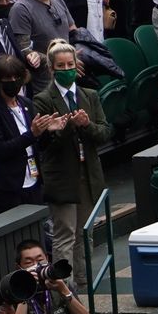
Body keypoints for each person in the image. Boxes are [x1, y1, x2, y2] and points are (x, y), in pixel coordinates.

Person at [32, 39, 111, 288]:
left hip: (88, 174)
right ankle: (64, 290)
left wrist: (86, 125)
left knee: (84, 234)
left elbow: (104, 133)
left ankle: (85, 281)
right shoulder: (43, 99)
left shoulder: (90, 95)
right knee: (65, 235)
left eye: (70, 64)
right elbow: (47, 146)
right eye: (61, 65)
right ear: (52, 69)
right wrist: (66, 127)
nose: (67, 69)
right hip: (62, 177)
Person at [0, 54, 54, 217]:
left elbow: (40, 145)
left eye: (16, 77)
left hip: (33, 181)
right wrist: (32, 134)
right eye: (8, 78)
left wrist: (48, 130)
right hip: (8, 187)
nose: (13, 81)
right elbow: (0, 149)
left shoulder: (26, 103)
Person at [14, 238, 92, 314]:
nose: (36, 266)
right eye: (29, 263)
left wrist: (64, 291)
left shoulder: (60, 284)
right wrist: (25, 291)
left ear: (47, 259)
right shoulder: (15, 292)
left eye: (40, 260)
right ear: (19, 267)